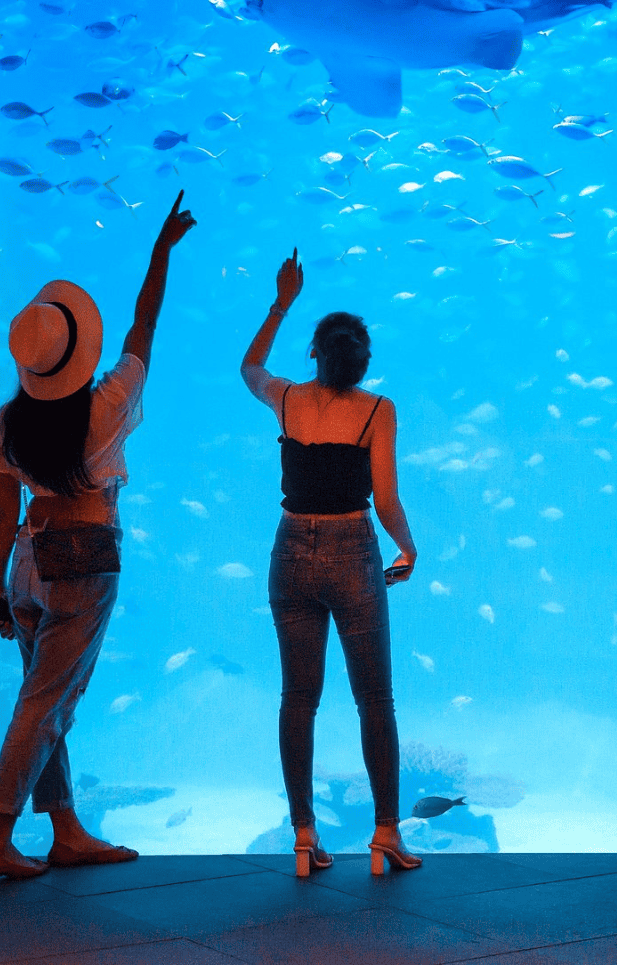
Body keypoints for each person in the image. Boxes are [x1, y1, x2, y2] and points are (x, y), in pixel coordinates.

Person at [0, 191, 196, 879]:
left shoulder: (9, 421)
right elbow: (144, 326)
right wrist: (159, 253)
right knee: (47, 703)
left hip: (25, 561)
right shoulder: (107, 407)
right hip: (82, 563)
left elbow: (1, 504)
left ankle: (66, 830)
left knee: (39, 695)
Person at [241, 248, 420, 877]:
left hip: (289, 551)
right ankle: (385, 834)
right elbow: (387, 499)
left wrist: (282, 301)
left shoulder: (288, 399)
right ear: (364, 360)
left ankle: (304, 835)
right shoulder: (378, 410)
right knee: (375, 699)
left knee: (298, 698)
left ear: (315, 353)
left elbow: (250, 367)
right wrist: (408, 548)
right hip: (352, 551)